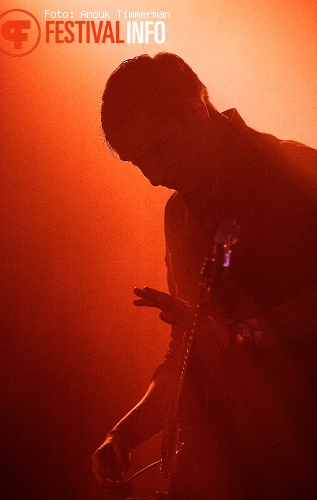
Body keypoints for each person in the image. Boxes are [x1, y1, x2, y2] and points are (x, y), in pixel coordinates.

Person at [92, 53, 317, 499]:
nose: (154, 178)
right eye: (138, 164)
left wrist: (242, 334)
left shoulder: (296, 171)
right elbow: (190, 348)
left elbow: (219, 337)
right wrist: (126, 434)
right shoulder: (178, 215)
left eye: (158, 150)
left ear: (197, 108)